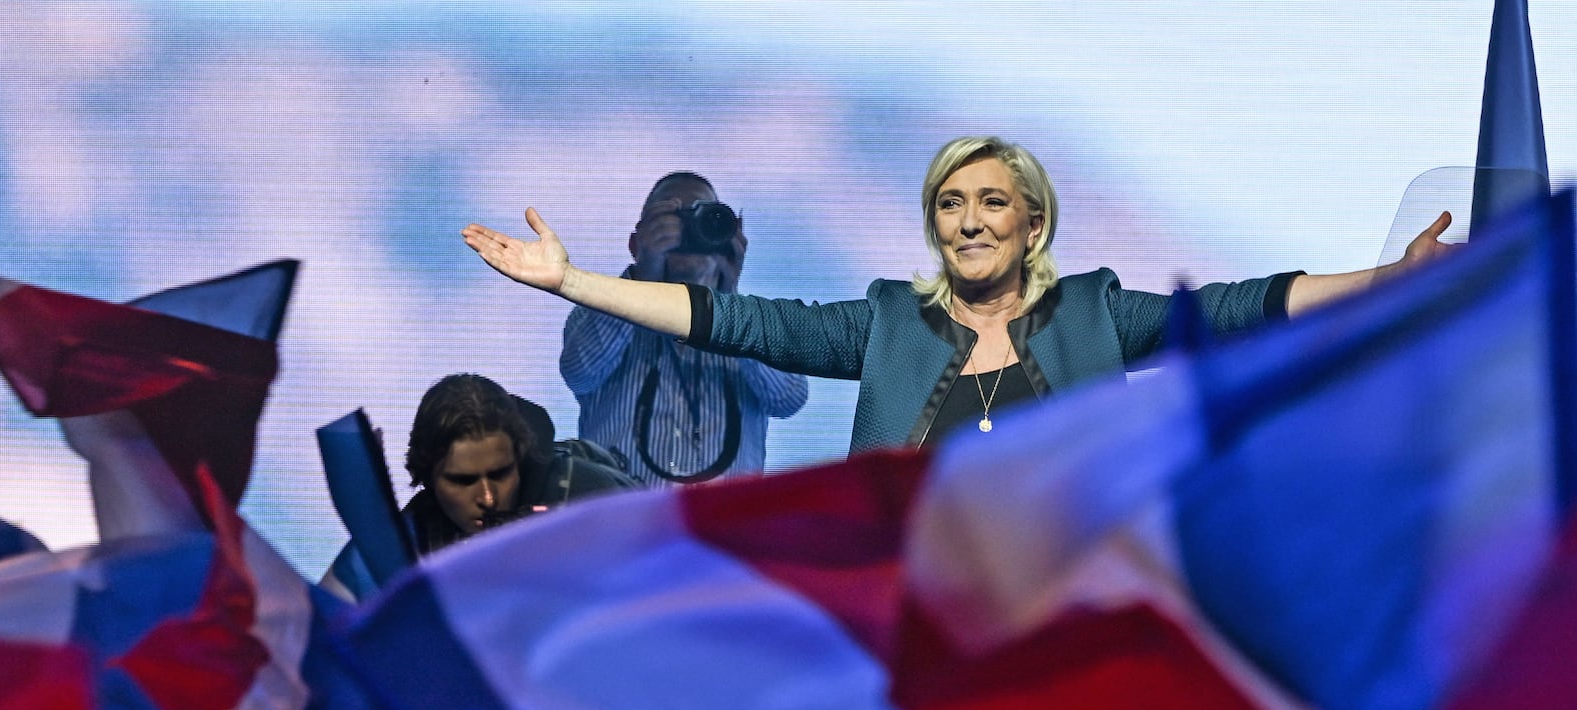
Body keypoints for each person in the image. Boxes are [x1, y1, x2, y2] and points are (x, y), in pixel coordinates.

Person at [463, 135, 1452, 452]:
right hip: (915, 637)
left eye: (991, 202)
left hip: (1062, 617)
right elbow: (733, 319)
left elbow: (1242, 308)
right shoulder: (887, 323)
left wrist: (1386, 281)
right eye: (949, 204)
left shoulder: (1097, 316)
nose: (969, 220)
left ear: (1033, 222)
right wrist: (574, 282)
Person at [559, 172, 808, 486]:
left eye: (704, 217)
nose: (688, 231)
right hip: (624, 526)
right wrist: (643, 279)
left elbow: (789, 398)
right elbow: (579, 371)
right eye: (672, 219)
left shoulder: (754, 325)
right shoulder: (598, 309)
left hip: (719, 529)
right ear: (637, 242)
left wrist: (729, 301)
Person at [321, 373, 635, 601]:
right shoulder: (414, 533)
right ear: (428, 478)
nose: (487, 497)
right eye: (462, 481)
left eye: (500, 474)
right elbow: (325, 618)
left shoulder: (589, 497)